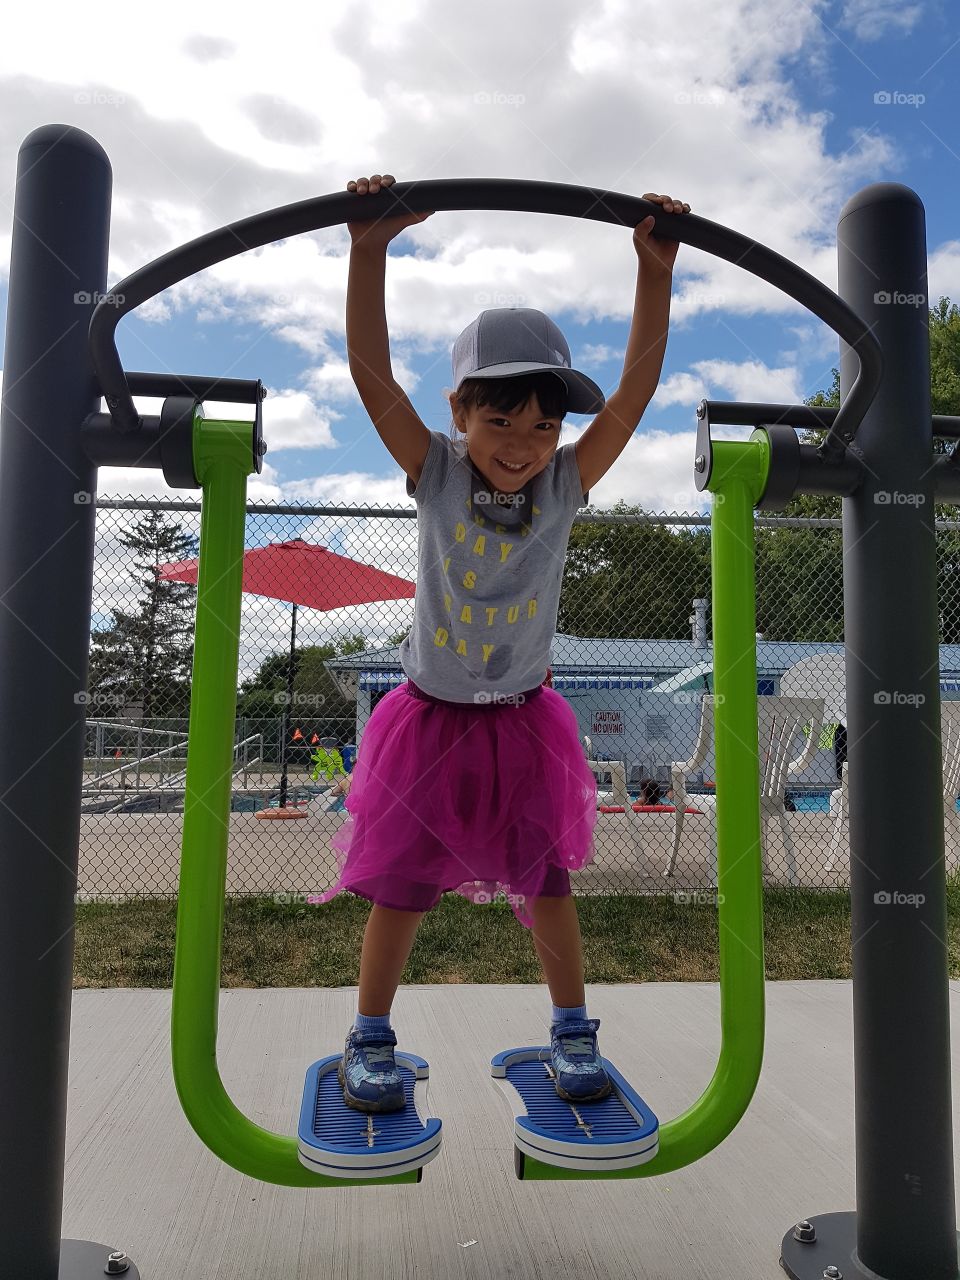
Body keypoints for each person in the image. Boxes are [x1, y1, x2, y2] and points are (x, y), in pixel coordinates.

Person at [319, 172, 690, 1114]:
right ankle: (370, 1037)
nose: (522, 442)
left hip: (525, 723)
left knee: (549, 884)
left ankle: (571, 1028)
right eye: (500, 419)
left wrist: (653, 275)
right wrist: (368, 252)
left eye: (542, 423)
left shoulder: (564, 486)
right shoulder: (435, 471)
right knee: (400, 889)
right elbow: (371, 375)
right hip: (430, 720)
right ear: (460, 412)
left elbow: (634, 394)